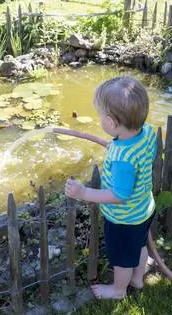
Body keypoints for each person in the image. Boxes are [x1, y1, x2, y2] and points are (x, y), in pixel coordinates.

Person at [65, 76, 157, 299]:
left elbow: (119, 195)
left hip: (124, 219)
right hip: (143, 209)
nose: (99, 120)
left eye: (100, 116)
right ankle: (137, 279)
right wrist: (116, 144)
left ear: (111, 122)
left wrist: (84, 192)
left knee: (123, 259)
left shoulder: (122, 159)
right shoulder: (147, 133)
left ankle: (118, 290)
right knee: (140, 245)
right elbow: (138, 154)